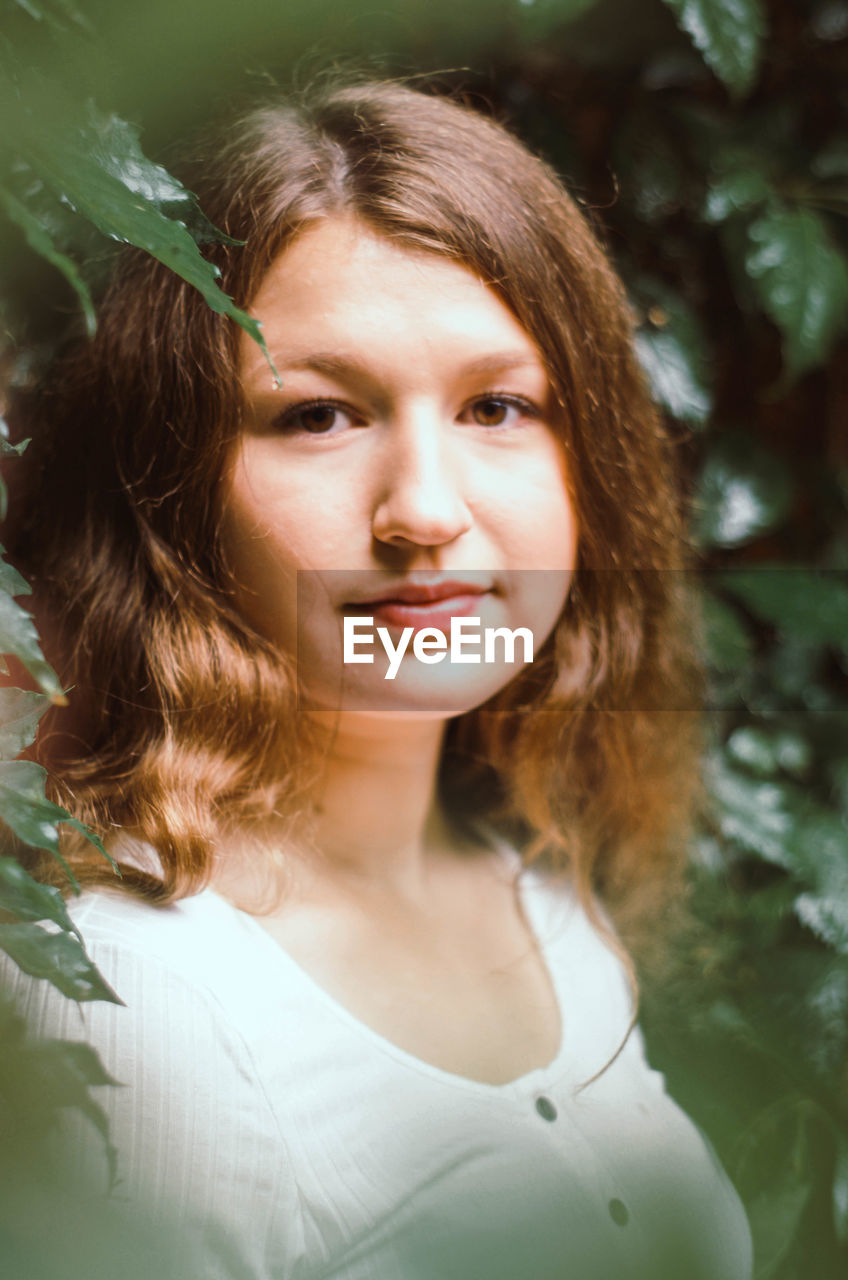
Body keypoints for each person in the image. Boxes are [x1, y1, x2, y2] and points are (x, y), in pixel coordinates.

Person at [1, 78, 753, 1279]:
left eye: (497, 406)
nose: (425, 510)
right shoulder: (129, 999)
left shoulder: (535, 883)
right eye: (316, 417)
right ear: (172, 487)